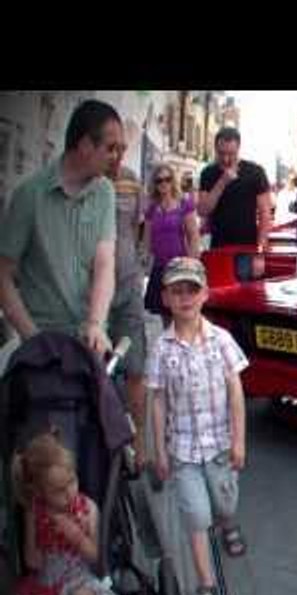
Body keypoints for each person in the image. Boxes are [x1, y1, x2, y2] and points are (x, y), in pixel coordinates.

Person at [146, 257, 249, 595]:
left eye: (192, 289)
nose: (185, 297)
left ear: (205, 294)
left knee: (223, 503)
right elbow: (157, 401)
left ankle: (228, 522)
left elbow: (235, 391)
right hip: (183, 451)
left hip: (220, 446)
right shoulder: (161, 348)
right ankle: (206, 583)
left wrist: (239, 440)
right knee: (195, 514)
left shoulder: (221, 340)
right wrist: (158, 449)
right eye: (177, 290)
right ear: (166, 298)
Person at [0, 99, 121, 357]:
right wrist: (31, 336)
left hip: (90, 341)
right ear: (86, 145)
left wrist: (96, 324)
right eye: (110, 148)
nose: (116, 157)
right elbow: (3, 274)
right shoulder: (29, 195)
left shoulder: (105, 192)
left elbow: (105, 263)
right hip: (42, 342)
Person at [9, 429, 100, 595]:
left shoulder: (88, 508)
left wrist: (77, 535)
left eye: (72, 482)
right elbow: (31, 560)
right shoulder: (35, 511)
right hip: (47, 582)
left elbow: (95, 556)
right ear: (40, 491)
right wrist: (42, 546)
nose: (69, 494)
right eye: (59, 490)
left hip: (79, 578)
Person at [105, 136, 149, 470]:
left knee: (136, 367)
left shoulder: (132, 180)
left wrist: (138, 263)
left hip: (128, 285)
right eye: (110, 148)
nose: (117, 156)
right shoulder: (89, 183)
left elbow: (137, 226)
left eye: (121, 149)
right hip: (93, 292)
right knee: (96, 368)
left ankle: (139, 444)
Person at [143, 164, 201, 325]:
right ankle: (171, 349)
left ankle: (185, 348)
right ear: (154, 183)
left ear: (172, 181)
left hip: (179, 267)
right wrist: (143, 260)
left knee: (182, 315)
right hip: (160, 267)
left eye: (167, 179)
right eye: (159, 180)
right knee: (165, 316)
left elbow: (193, 235)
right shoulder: (152, 208)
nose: (164, 184)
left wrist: (191, 263)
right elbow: (147, 238)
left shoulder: (184, 203)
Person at [197, 127, 272, 252]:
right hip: (218, 246)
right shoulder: (208, 173)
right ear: (215, 149)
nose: (226, 159)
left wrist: (260, 249)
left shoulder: (255, 172)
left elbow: (265, 213)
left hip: (247, 246)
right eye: (221, 154)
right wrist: (222, 182)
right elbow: (203, 210)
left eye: (231, 154)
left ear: (238, 148)